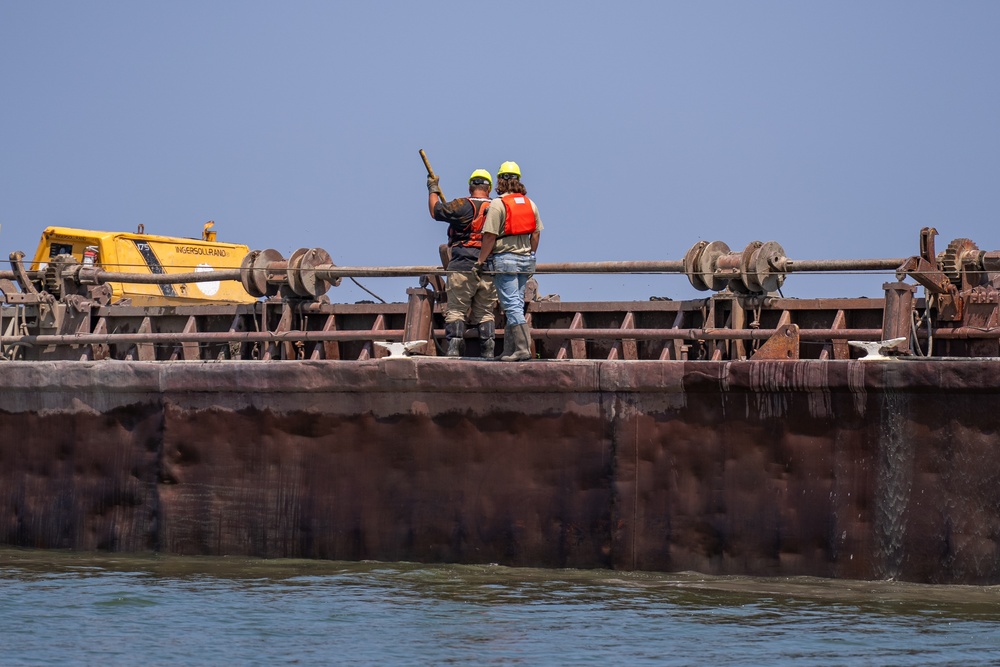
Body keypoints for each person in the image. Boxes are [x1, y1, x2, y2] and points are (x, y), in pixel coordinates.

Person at [475, 161, 542, 362]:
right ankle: (509, 350)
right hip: (525, 260)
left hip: (505, 259)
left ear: (500, 180)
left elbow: (489, 236)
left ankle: (522, 349)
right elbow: (536, 234)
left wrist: (480, 261)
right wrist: (530, 254)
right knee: (516, 305)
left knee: (511, 306)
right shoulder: (530, 203)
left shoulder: (498, 204)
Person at [427, 168, 499, 358]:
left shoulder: (461, 205)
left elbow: (435, 210)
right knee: (485, 312)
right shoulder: (498, 208)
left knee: (456, 310)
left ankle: (454, 349)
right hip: (489, 268)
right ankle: (488, 352)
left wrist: (432, 188)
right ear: (489, 188)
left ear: (470, 187)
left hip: (461, 266)